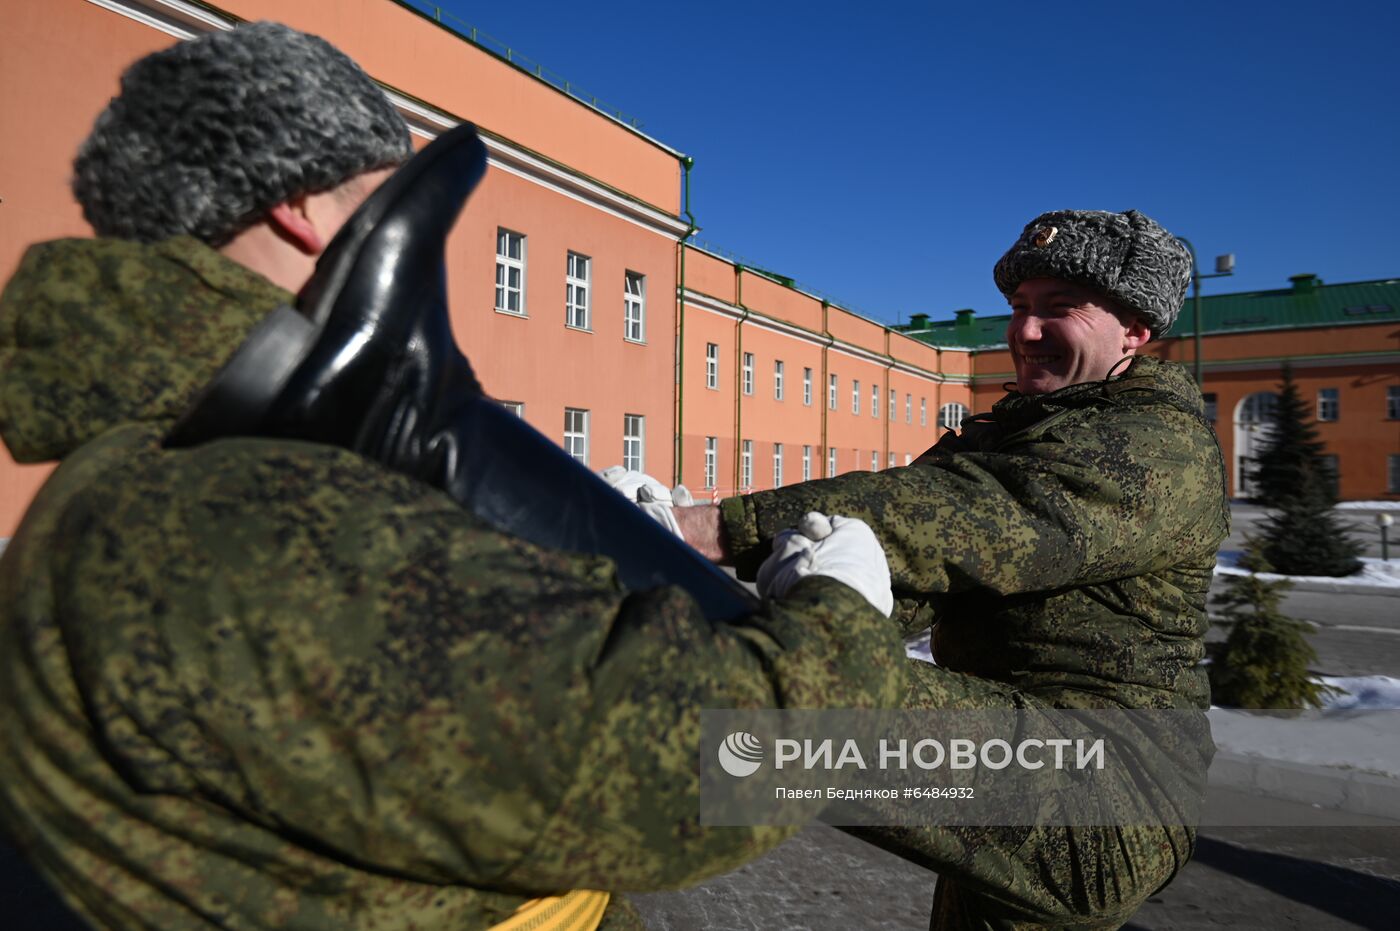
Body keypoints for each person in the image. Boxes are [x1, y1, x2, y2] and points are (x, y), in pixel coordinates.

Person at [0, 23, 906, 931]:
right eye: (383, 193)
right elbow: (704, 768)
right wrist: (842, 620)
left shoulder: (123, 467)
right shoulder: (250, 510)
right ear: (306, 205)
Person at [673, 209, 1231, 929]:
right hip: (1028, 754)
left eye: (1059, 309)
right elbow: (898, 577)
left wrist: (718, 527)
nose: (1025, 332)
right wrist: (702, 586)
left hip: (1105, 785)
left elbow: (956, 517)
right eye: (1021, 308)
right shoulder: (1018, 429)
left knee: (762, 704)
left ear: (1135, 331)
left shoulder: (1156, 447)